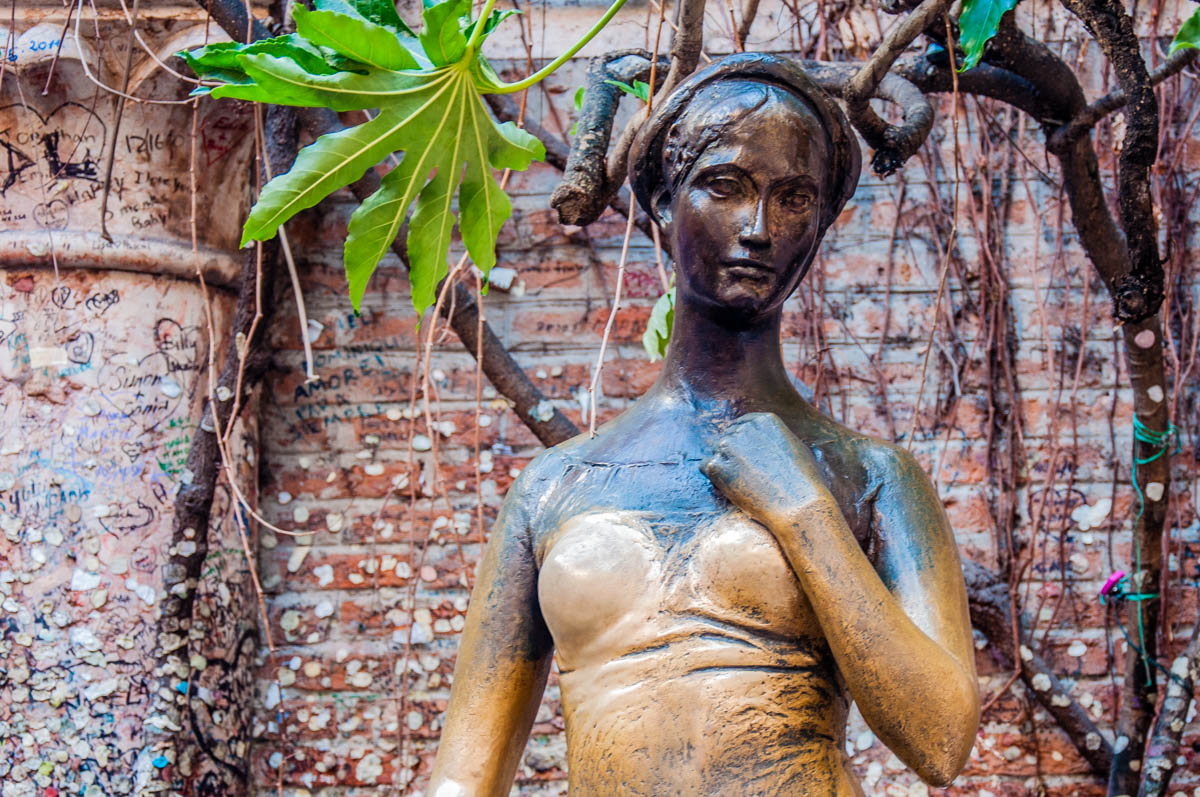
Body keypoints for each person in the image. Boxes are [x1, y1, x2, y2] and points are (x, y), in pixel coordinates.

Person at [428, 53, 980, 796]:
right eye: (726, 186)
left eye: (793, 198)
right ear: (660, 196)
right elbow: (465, 774)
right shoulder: (555, 486)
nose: (758, 227)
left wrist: (804, 512)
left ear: (819, 225)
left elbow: (942, 742)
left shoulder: (870, 475)